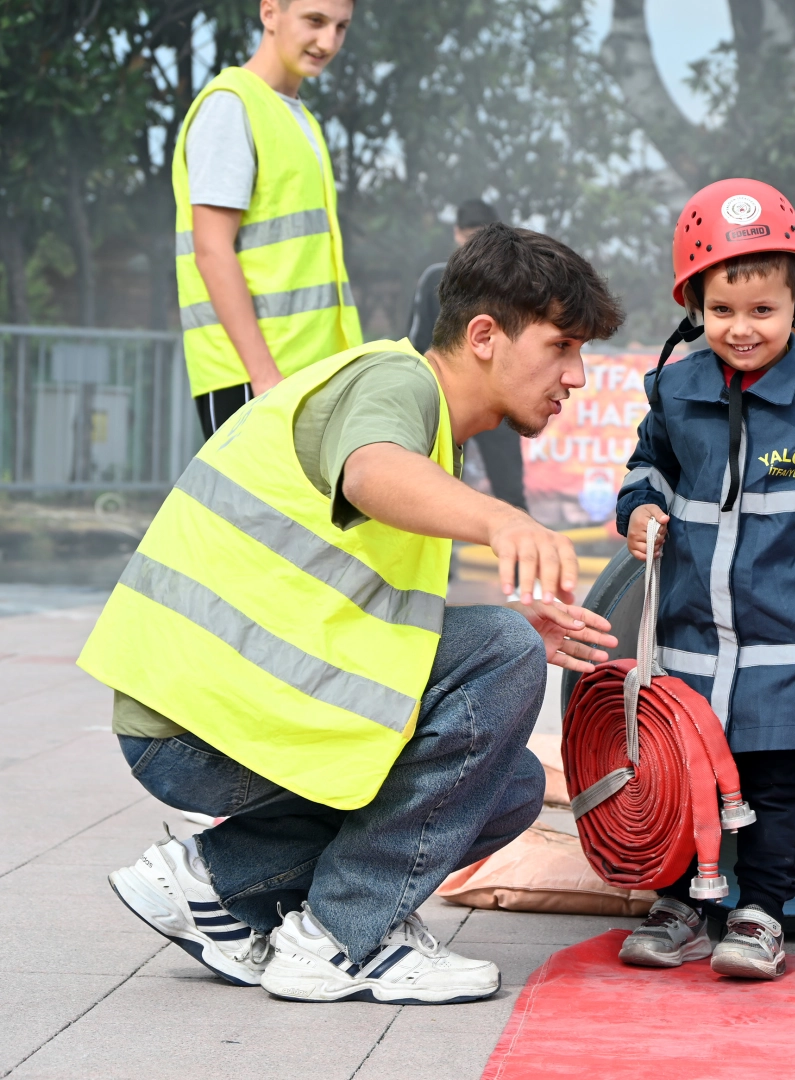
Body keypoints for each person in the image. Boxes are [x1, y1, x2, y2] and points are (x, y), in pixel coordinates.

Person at [79, 225, 624, 1004]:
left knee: (506, 785)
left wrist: (486, 639)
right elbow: (371, 472)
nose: (576, 375)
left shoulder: (429, 431)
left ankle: (213, 883)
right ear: (482, 336)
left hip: (235, 709)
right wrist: (503, 525)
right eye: (561, 346)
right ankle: (341, 938)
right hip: (198, 721)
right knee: (500, 650)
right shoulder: (396, 382)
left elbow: (353, 607)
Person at [614, 180, 795, 979]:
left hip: (789, 643)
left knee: (776, 785)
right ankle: (681, 905)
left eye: (762, 311)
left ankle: (760, 914)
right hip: (692, 644)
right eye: (721, 311)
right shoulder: (676, 390)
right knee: (685, 778)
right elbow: (647, 468)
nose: (740, 329)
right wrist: (640, 509)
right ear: (693, 307)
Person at [175, 0, 364, 438]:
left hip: (307, 375)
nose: (328, 42)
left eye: (341, 27)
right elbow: (211, 249)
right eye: (315, 21)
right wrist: (264, 377)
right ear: (269, 13)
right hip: (256, 378)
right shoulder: (231, 106)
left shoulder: (300, 119)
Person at [408, 200, 529, 511]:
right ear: (457, 234)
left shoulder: (512, 285)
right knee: (433, 495)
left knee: (510, 495)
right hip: (446, 403)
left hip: (498, 400)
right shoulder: (435, 279)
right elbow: (416, 344)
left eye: (483, 236)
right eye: (470, 236)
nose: (476, 245)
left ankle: (521, 541)